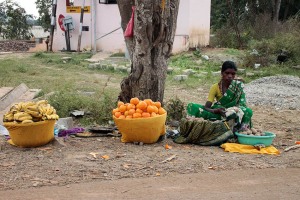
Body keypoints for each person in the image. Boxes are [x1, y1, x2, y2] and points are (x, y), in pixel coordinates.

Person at [186, 60, 253, 130]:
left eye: (233, 74)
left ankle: (240, 129)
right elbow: (207, 107)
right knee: (192, 106)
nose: (230, 76)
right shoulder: (215, 87)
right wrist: (217, 110)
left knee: (248, 111)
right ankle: (190, 125)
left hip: (235, 114)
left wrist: (233, 110)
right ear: (222, 73)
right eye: (227, 73)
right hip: (220, 114)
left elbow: (242, 105)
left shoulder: (238, 86)